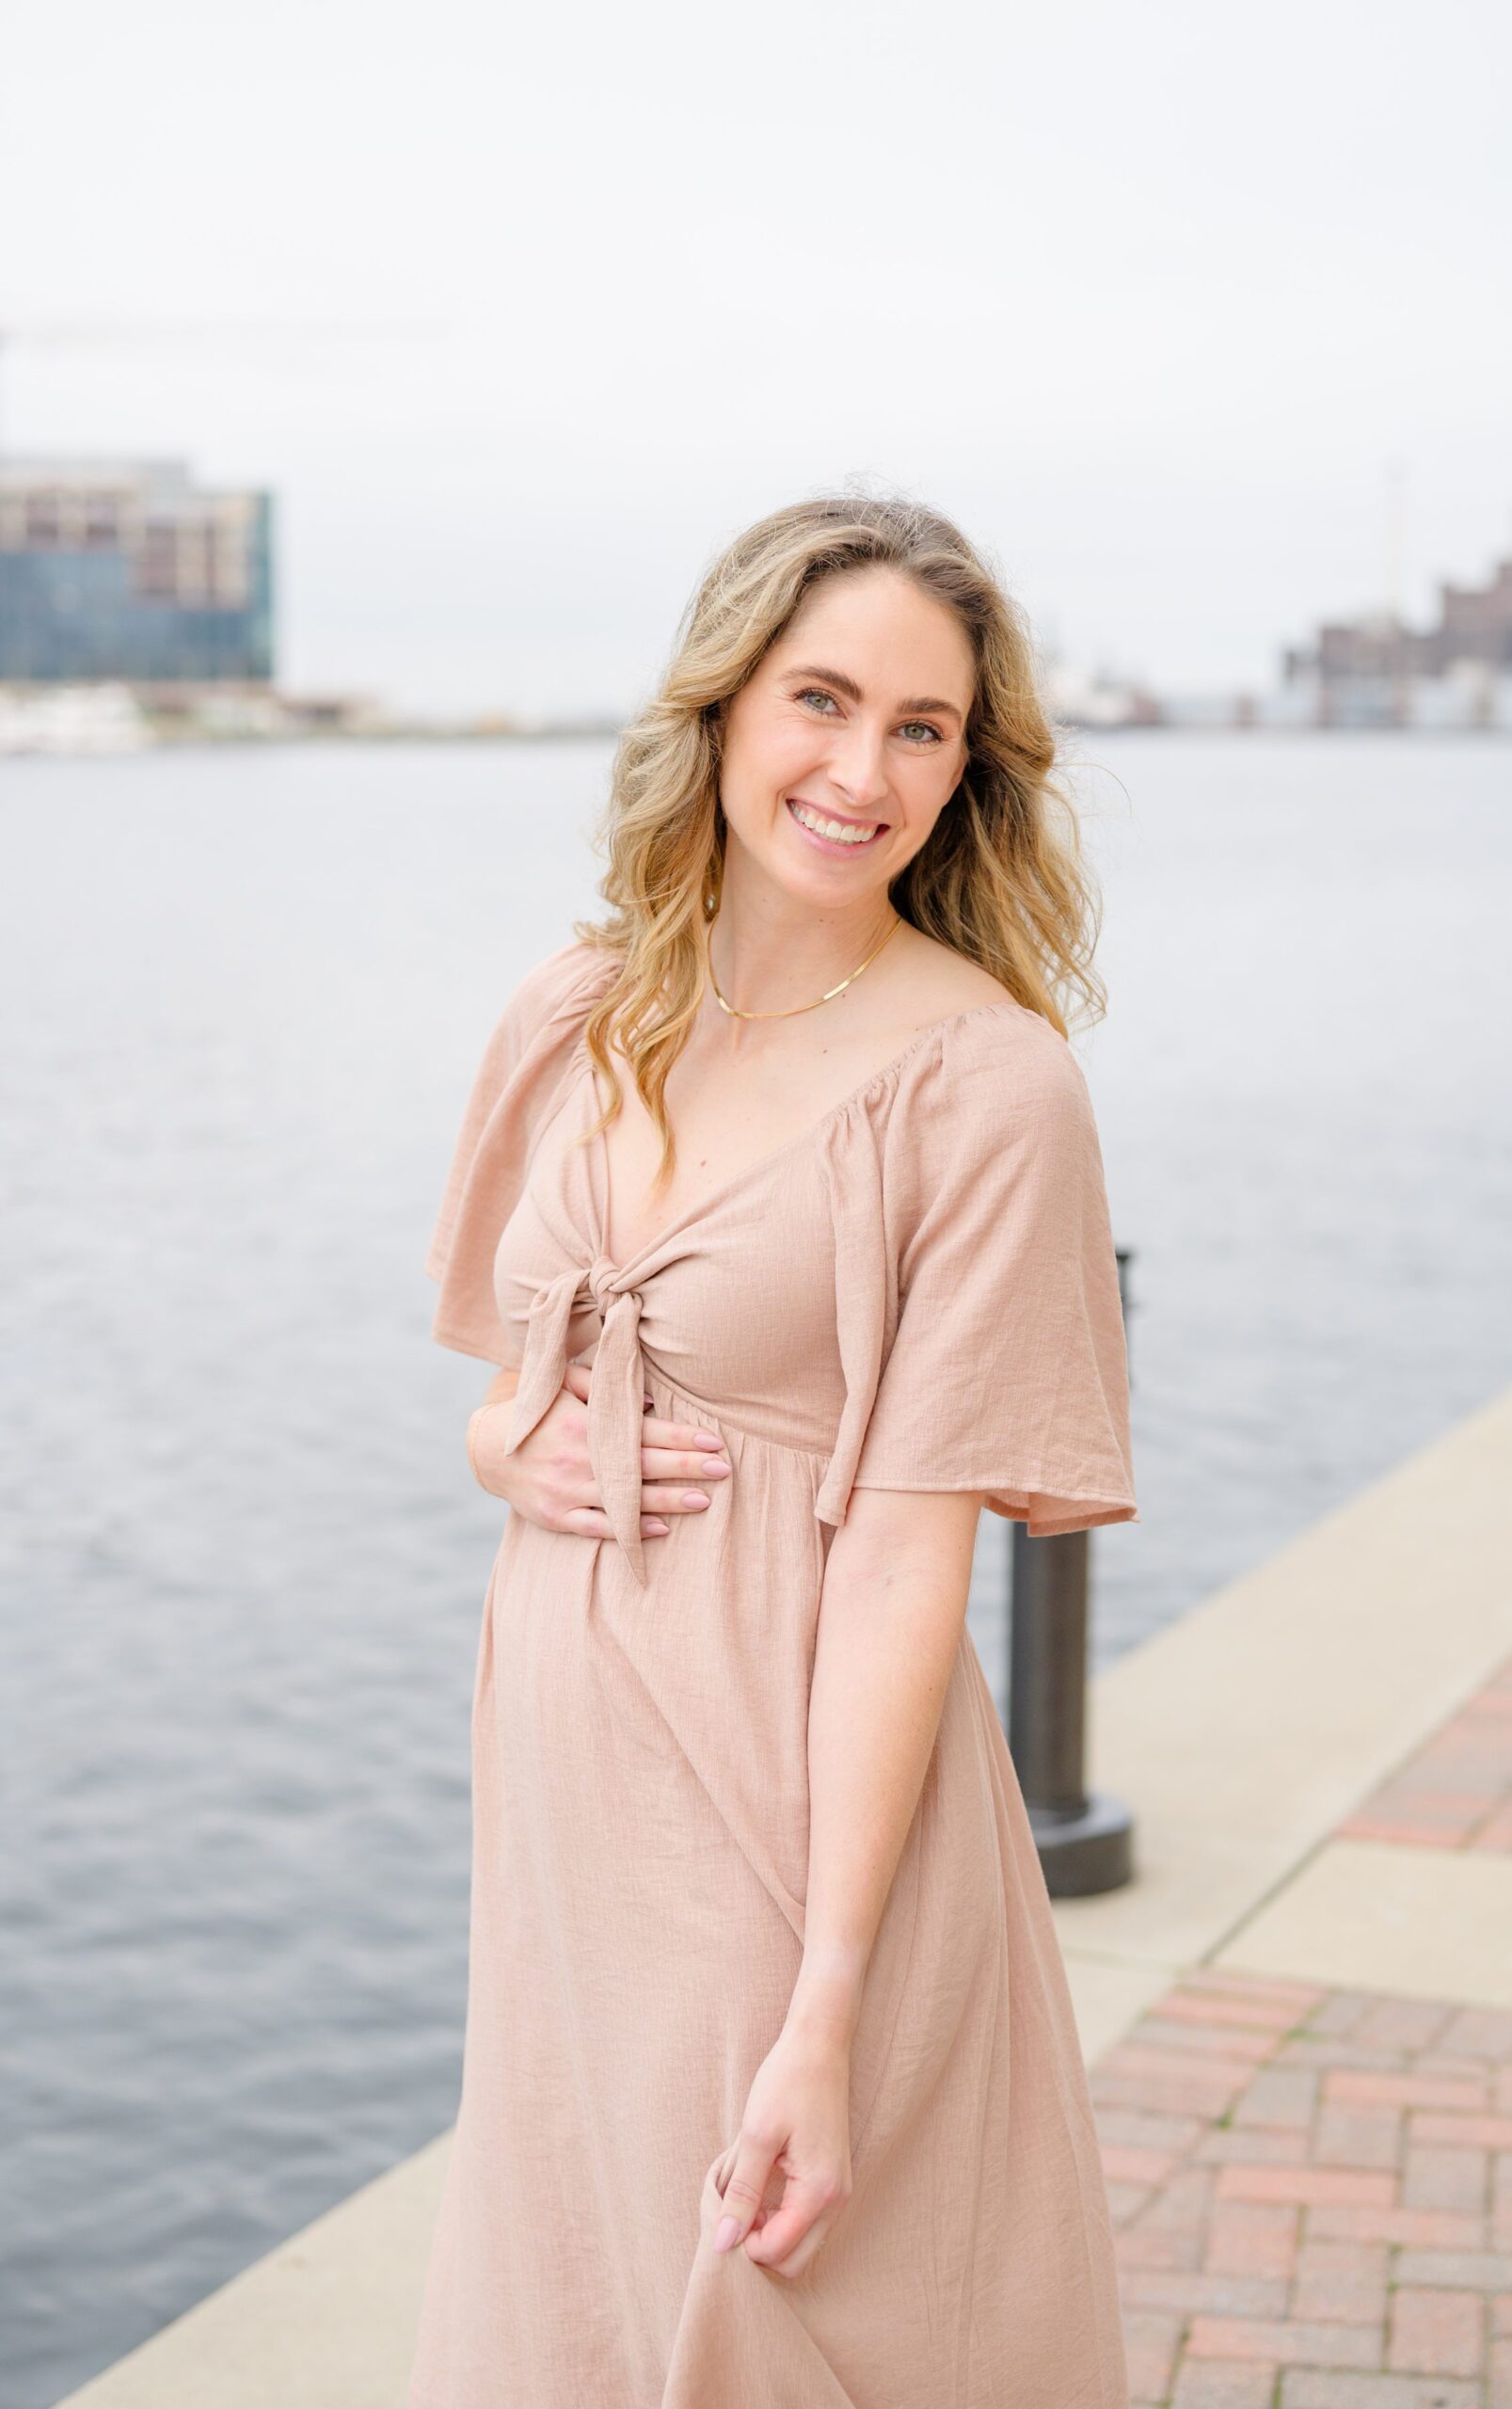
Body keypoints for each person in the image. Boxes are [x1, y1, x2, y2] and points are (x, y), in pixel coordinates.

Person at [409, 491, 1138, 2406]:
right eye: (822, 698)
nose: (863, 767)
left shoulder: (989, 1085)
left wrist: (828, 1994)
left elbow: (911, 1556)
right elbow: (504, 1384)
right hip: (566, 1795)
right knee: (577, 2288)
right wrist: (510, 1458)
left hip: (794, 1817)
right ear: (722, 703)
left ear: (974, 769)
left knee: (785, 2311)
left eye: (924, 726)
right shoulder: (579, 1010)